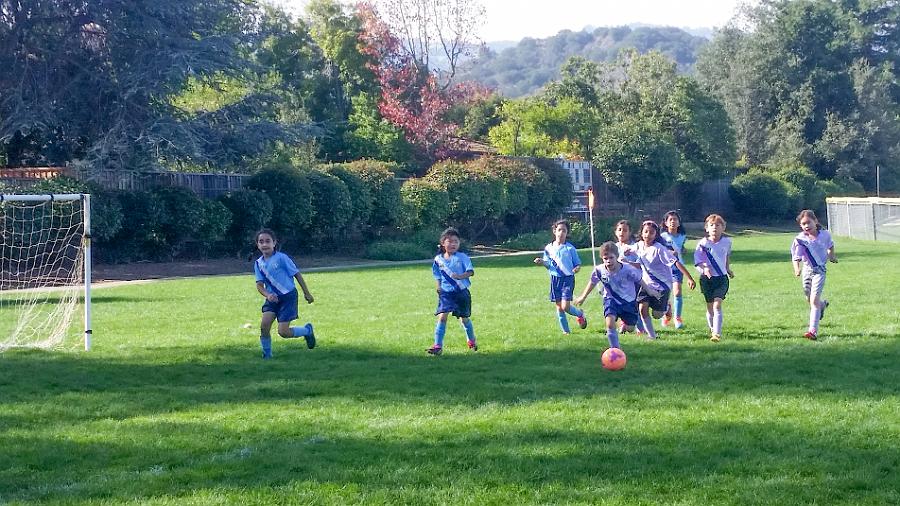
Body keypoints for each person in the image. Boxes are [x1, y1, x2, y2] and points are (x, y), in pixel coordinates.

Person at [575, 242, 660, 350]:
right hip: (610, 300)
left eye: (611, 258)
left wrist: (650, 291)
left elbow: (639, 280)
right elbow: (592, 282)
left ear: (617, 257)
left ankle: (625, 323)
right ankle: (615, 349)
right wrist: (583, 297)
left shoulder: (628, 269)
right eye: (605, 258)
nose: (608, 261)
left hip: (628, 301)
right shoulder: (599, 270)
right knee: (610, 323)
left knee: (630, 328)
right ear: (602, 258)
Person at [253, 229, 315, 359]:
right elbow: (259, 285)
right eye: (261, 242)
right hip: (272, 299)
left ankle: (307, 331)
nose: (264, 244)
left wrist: (307, 293)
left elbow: (297, 274)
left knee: (283, 332)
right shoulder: (258, 264)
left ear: (274, 243)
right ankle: (267, 355)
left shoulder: (282, 258)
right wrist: (268, 295)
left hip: (288, 297)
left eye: (268, 241)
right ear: (257, 245)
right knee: (264, 326)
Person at [634, 220, 696, 339]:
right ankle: (652, 336)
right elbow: (631, 254)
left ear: (656, 235)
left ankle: (666, 308)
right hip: (646, 285)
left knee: (657, 315)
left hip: (662, 286)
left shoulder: (659, 249)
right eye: (645, 232)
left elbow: (675, 262)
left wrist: (689, 278)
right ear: (641, 233)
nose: (648, 235)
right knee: (642, 308)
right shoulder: (639, 246)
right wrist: (625, 257)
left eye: (651, 232)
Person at [428, 227, 478, 355]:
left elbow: (470, 272)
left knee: (464, 318)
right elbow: (437, 274)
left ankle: (471, 340)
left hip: (461, 292)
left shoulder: (462, 257)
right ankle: (437, 346)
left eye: (456, 241)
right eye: (450, 241)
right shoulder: (438, 259)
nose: (453, 244)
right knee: (442, 317)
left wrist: (460, 276)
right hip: (446, 293)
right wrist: (438, 286)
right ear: (443, 243)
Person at [791, 209, 837, 340]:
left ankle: (813, 331)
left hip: (820, 271)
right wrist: (797, 269)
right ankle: (822, 306)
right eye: (803, 224)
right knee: (808, 298)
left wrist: (831, 256)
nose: (806, 226)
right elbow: (796, 257)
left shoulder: (825, 235)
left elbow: (830, 245)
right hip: (807, 271)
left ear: (815, 221)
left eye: (808, 222)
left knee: (814, 300)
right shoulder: (801, 239)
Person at [534, 219, 587, 334]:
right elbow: (548, 264)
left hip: (567, 279)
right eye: (559, 230)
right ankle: (566, 332)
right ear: (554, 231)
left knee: (565, 306)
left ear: (567, 233)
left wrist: (576, 268)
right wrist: (542, 262)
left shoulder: (570, 248)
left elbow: (577, 264)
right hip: (555, 279)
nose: (561, 233)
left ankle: (580, 314)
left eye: (564, 231)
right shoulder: (548, 248)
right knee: (559, 307)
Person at [693, 214, 734, 342]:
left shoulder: (727, 242)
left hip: (721, 279)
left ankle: (717, 333)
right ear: (706, 228)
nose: (715, 227)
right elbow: (697, 261)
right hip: (707, 280)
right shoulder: (703, 244)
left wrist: (728, 269)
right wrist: (704, 269)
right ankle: (712, 328)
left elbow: (726, 256)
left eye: (718, 225)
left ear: (723, 227)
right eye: (711, 225)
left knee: (717, 304)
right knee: (710, 307)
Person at [659, 210, 688, 329]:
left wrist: (683, 250)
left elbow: (681, 248)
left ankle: (677, 318)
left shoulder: (682, 236)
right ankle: (667, 313)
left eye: (675, 219)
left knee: (677, 291)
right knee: (664, 294)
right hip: (664, 268)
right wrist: (669, 252)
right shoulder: (662, 237)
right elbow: (659, 250)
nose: (673, 222)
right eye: (670, 219)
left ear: (679, 222)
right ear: (665, 223)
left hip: (678, 267)